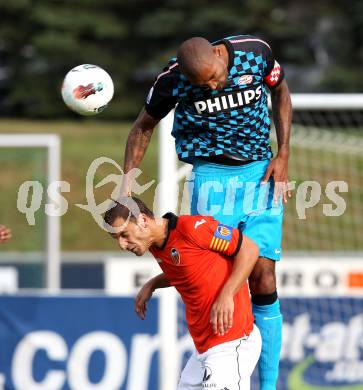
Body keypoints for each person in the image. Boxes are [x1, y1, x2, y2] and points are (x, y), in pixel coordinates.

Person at [121, 35, 292, 389]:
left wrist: (284, 153)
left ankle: (270, 385)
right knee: (211, 274)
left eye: (215, 77)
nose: (214, 87)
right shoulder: (172, 80)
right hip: (211, 178)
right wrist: (126, 184)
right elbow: (142, 126)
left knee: (263, 277)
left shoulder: (255, 53)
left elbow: (281, 91)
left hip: (261, 172)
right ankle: (215, 361)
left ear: (218, 55)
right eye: (205, 85)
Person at [104, 197, 261, 390]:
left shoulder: (193, 229)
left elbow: (249, 249)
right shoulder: (155, 245)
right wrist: (153, 284)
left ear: (143, 220)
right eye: (117, 239)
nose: (122, 245)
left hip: (232, 341)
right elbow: (187, 268)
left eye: (124, 235)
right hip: (204, 350)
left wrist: (227, 294)